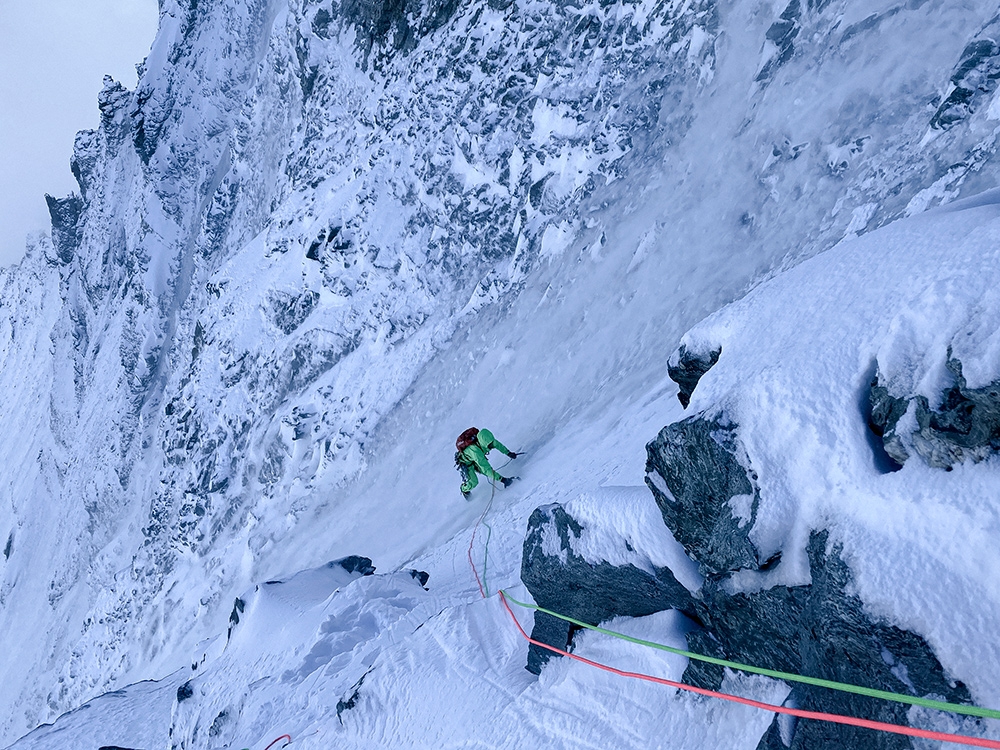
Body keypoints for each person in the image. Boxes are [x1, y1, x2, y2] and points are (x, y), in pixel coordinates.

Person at [455, 427, 518, 499]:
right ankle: (464, 489)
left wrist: (508, 453)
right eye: (489, 446)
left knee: (487, 473)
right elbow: (486, 469)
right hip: (466, 463)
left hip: (474, 459)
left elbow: (497, 444)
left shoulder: (488, 440)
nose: (491, 447)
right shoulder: (476, 451)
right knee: (474, 482)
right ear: (483, 443)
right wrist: (503, 480)